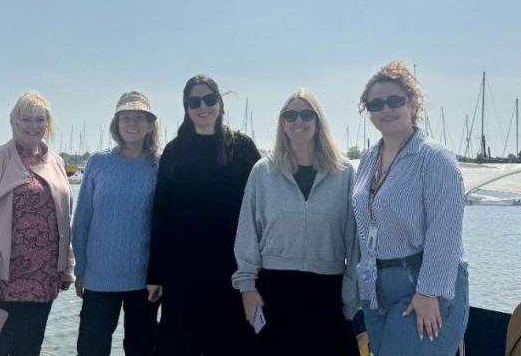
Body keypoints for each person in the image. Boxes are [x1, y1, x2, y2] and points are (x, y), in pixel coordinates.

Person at [352, 61, 468, 356]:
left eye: (394, 100)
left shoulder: (435, 159)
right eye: (375, 104)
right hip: (376, 289)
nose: (385, 109)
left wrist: (430, 292)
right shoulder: (368, 160)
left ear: (413, 104)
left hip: (423, 283)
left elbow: (446, 232)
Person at [233, 88, 360, 356]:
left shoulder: (345, 173)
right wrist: (246, 287)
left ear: (318, 121)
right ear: (282, 123)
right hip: (273, 290)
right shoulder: (263, 171)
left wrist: (350, 299)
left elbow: (354, 243)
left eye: (306, 114)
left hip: (327, 292)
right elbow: (247, 234)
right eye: (290, 115)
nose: (298, 122)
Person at [147, 74, 261, 356]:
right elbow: (160, 213)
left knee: (233, 344)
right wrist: (155, 273)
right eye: (194, 101)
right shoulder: (174, 152)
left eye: (210, 99)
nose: (203, 106)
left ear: (220, 103)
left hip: (232, 268)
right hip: (182, 270)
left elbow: (264, 205)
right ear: (186, 107)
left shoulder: (242, 147)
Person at [0, 91, 74, 356]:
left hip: (40, 281)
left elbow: (64, 218)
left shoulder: (55, 162)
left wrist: (66, 266)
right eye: (26, 119)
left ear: (48, 123)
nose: (33, 126)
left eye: (40, 119)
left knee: (28, 350)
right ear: (14, 122)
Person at [72, 91, 160, 356]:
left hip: (144, 280)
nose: (132, 123)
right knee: (91, 348)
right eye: (125, 117)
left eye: (139, 118)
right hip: (99, 277)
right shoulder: (98, 162)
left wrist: (160, 275)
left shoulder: (159, 165)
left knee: (141, 348)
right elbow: (83, 218)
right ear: (116, 124)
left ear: (149, 125)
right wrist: (80, 268)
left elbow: (163, 225)